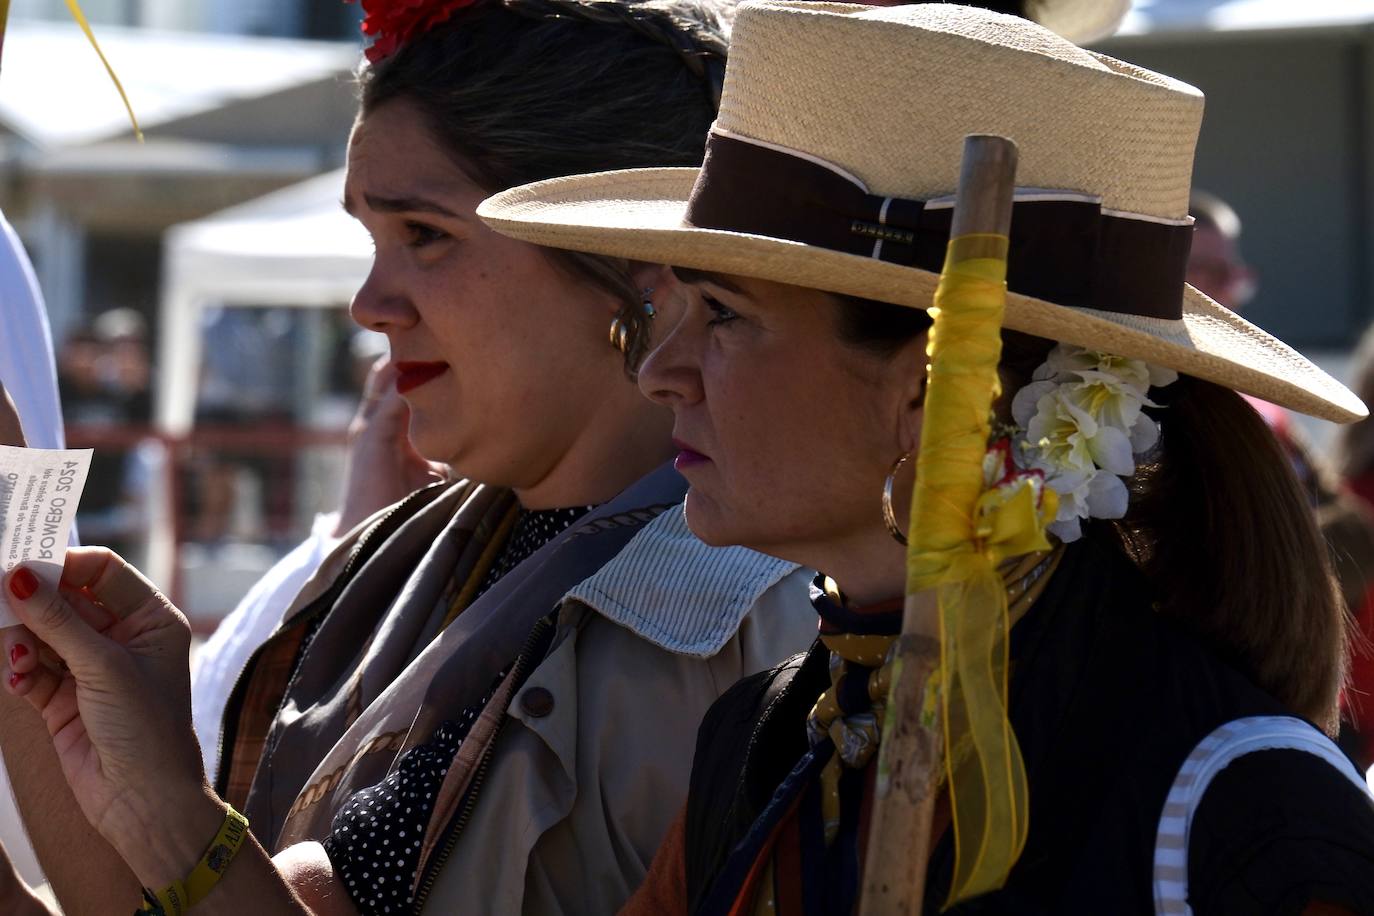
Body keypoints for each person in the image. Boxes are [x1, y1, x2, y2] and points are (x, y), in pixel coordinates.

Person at [477, 3, 1374, 911]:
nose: (663, 374)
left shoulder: (1242, 809)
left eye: (724, 315)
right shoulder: (762, 743)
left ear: (934, 395)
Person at [0, 1, 822, 913]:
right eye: (371, 238)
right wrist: (16, 551)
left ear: (634, 261)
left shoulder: (711, 611)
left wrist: (161, 801)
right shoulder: (407, 547)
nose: (369, 302)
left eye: (424, 235)